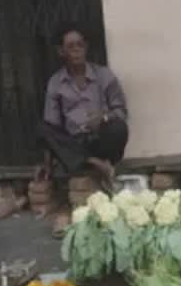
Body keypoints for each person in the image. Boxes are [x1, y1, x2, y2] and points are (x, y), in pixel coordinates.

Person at [37, 22, 129, 188]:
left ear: (86, 47)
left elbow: (121, 111)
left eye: (80, 45)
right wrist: (47, 164)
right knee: (43, 128)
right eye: (70, 46)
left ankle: (95, 162)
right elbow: (52, 127)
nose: (77, 50)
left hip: (101, 140)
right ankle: (94, 163)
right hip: (74, 143)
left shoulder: (104, 75)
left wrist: (104, 117)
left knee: (118, 127)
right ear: (61, 52)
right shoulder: (55, 83)